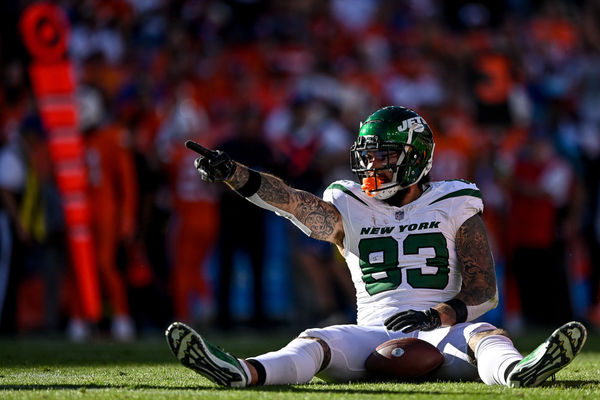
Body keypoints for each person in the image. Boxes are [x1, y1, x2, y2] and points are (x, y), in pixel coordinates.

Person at [165, 106, 587, 388]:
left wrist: (435, 314)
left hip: (443, 329)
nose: (371, 166)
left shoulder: (454, 201)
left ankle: (519, 371)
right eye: (367, 156)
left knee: (482, 333)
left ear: (416, 157)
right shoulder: (350, 202)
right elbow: (292, 200)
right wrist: (237, 176)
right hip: (370, 331)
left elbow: (484, 291)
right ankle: (243, 372)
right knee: (316, 339)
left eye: (383, 156)